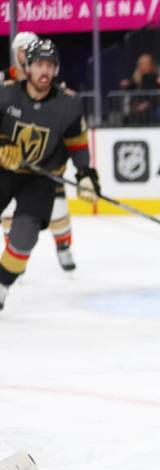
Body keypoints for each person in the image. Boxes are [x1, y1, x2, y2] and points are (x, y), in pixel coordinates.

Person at [0, 40, 99, 311]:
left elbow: (76, 143)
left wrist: (85, 174)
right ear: (27, 67)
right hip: (4, 171)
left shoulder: (68, 104)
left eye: (50, 65)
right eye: (39, 65)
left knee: (24, 238)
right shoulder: (6, 95)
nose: (44, 71)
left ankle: (1, 286)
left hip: (40, 178)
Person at [1, 32, 77, 273]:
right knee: (11, 213)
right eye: (20, 49)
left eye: (28, 47)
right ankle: (12, 259)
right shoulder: (6, 82)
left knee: (58, 208)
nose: (24, 52)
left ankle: (63, 247)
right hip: (10, 160)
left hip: (45, 160)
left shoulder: (50, 83)